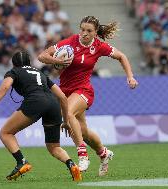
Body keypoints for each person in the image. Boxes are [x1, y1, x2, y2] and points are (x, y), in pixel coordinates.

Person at [38, 16, 139, 175]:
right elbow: (42, 56)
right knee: (83, 131)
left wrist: (130, 76)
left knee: (69, 113)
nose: (84, 33)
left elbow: (121, 56)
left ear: (95, 32)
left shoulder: (99, 46)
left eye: (89, 31)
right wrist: (55, 59)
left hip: (83, 90)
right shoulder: (70, 42)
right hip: (65, 90)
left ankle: (83, 155)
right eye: (82, 29)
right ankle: (104, 153)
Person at [0, 51, 82, 181]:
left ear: (14, 63)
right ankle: (72, 164)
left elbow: (5, 87)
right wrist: (66, 121)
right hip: (53, 104)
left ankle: (22, 162)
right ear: (29, 62)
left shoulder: (14, 71)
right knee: (54, 147)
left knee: (5, 133)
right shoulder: (40, 73)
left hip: (35, 101)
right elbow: (62, 97)